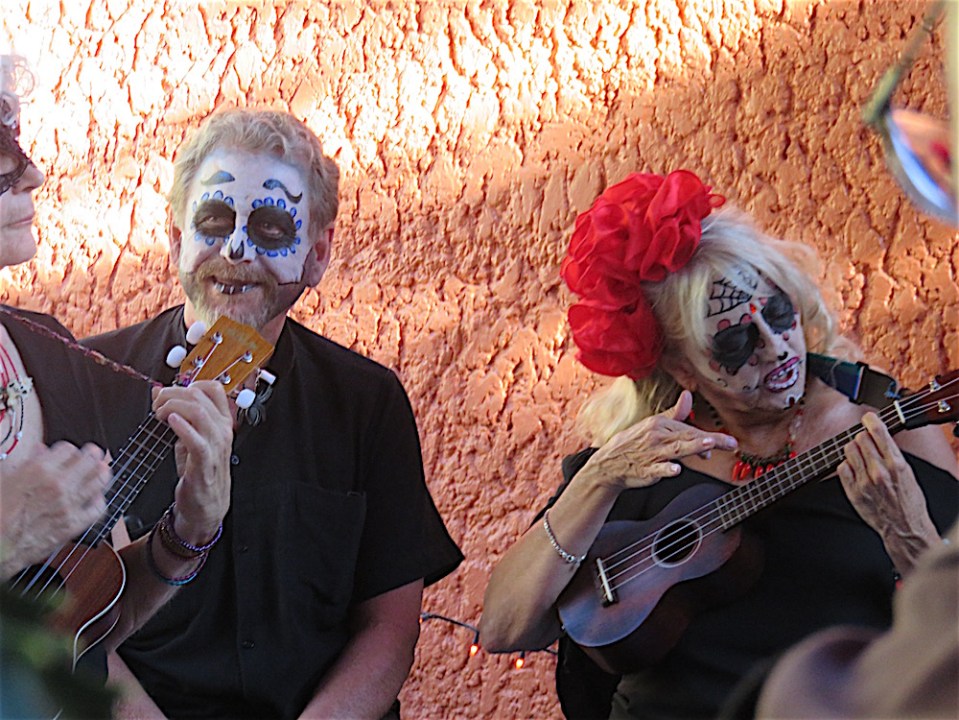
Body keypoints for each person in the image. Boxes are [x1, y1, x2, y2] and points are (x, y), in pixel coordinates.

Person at [479, 169, 958, 720]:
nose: (776, 347)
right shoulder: (645, 462)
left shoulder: (891, 425)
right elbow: (503, 628)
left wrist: (909, 533)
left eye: (778, 313)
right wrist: (597, 479)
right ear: (681, 368)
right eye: (734, 342)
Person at [83, 107, 464, 720]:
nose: (236, 249)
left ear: (317, 255)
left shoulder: (366, 402)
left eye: (269, 227)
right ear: (177, 239)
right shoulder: (88, 382)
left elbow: (389, 626)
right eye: (214, 221)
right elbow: (63, 618)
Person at [0, 52, 234, 715]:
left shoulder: (49, 353)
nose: (34, 173)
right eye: (1, 157)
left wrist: (189, 530)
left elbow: (82, 625)